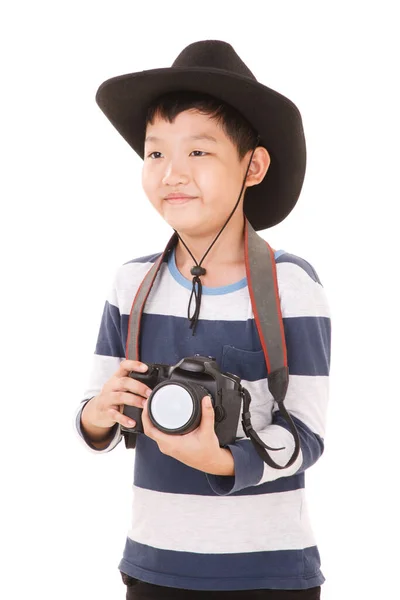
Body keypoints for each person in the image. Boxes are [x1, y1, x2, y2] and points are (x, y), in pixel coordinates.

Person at [75, 40, 331, 599]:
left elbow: (307, 436)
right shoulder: (130, 286)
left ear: (253, 165)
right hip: (155, 568)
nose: (172, 174)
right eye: (155, 154)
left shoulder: (291, 286)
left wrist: (224, 459)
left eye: (198, 153)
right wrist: (100, 411)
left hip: (271, 573)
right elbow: (94, 419)